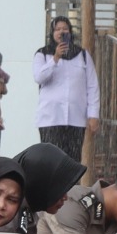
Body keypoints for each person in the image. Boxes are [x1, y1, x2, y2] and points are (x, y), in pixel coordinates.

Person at [33, 16, 100, 161]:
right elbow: (39, 77)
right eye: (57, 29)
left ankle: (72, 185)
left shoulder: (82, 55)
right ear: (52, 33)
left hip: (75, 118)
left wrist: (93, 114)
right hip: (50, 118)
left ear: (70, 32)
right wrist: (55, 58)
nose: (61, 32)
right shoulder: (42, 54)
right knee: (50, 160)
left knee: (72, 161)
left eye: (65, 29)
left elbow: (92, 85)